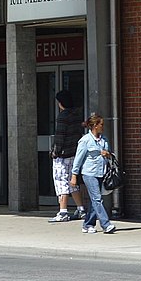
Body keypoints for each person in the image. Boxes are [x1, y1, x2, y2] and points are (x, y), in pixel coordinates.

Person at [70, 112, 115, 234]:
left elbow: (109, 153)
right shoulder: (85, 141)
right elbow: (78, 159)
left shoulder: (103, 139)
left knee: (94, 200)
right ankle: (106, 224)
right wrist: (74, 176)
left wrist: (107, 154)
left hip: (101, 172)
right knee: (97, 199)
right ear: (95, 125)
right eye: (101, 124)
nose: (102, 127)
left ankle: (88, 224)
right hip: (89, 173)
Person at [49, 89, 86, 223]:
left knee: (61, 181)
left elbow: (60, 136)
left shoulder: (63, 116)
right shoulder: (76, 115)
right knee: (73, 181)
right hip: (74, 153)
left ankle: (63, 211)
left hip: (63, 154)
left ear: (61, 103)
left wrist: (55, 152)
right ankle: (81, 209)